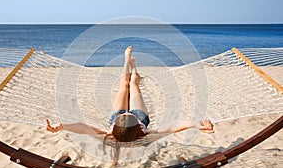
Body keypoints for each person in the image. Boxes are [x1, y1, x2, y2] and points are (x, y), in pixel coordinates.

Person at [46, 46, 214, 142]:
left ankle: (127, 62)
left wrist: (61, 127)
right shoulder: (145, 131)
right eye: (127, 114)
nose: (127, 111)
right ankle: (134, 68)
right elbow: (172, 126)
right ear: (137, 126)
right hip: (140, 115)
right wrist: (196, 124)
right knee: (133, 84)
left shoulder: (111, 132)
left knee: (122, 86)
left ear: (118, 124)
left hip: (119, 118)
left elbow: (84, 128)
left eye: (124, 114)